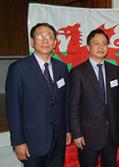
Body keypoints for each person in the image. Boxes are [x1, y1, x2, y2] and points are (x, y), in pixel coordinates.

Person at [5, 23, 71, 167]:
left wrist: (67, 130)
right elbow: (13, 109)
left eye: (50, 37)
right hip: (32, 142)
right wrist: (18, 142)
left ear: (55, 43)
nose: (45, 40)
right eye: (40, 36)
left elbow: (65, 103)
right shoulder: (18, 69)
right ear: (32, 41)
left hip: (58, 140)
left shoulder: (62, 67)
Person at [68, 29, 119, 167]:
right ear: (88, 47)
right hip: (88, 136)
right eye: (96, 43)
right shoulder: (77, 73)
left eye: (104, 43)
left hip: (112, 133)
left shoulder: (114, 70)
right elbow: (73, 107)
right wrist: (76, 133)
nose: (101, 47)